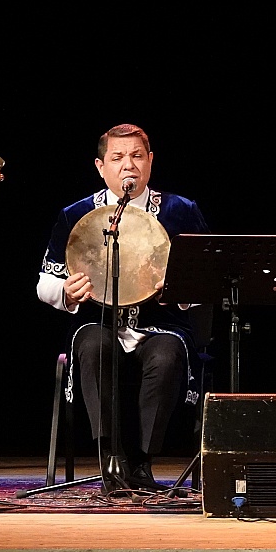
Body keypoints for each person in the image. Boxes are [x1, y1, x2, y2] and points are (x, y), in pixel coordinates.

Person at [37, 123, 211, 490]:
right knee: (95, 346)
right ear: (101, 166)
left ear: (150, 161)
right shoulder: (77, 215)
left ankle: (143, 465)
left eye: (136, 156)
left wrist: (180, 288)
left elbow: (208, 279)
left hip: (159, 326)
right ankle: (111, 461)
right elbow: (44, 282)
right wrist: (66, 292)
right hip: (98, 325)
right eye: (117, 158)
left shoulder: (181, 211)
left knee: (165, 354)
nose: (128, 165)